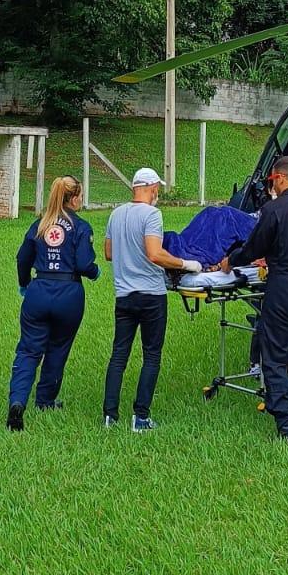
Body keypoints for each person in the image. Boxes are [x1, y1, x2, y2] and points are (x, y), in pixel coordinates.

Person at [221, 156, 288, 445]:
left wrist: (232, 260)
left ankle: (286, 424)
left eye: (273, 182)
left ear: (280, 178)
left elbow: (256, 246)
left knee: (275, 357)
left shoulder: (274, 209)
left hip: (283, 287)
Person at [102, 167, 201, 433]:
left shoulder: (116, 213)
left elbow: (109, 253)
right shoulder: (152, 214)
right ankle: (141, 417)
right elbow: (155, 254)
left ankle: (110, 416)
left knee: (119, 355)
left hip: (124, 295)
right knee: (152, 356)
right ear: (152, 188)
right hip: (151, 296)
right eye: (158, 189)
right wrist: (186, 264)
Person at [8, 176, 99, 431]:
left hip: (39, 291)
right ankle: (45, 400)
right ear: (74, 197)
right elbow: (83, 264)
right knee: (57, 348)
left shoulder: (40, 224)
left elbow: (22, 257)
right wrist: (94, 272)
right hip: (69, 294)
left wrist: (25, 283)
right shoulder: (81, 227)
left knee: (28, 350)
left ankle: (17, 401)